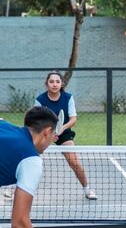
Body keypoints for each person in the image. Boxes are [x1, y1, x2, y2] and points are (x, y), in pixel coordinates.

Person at [34, 70, 97, 200]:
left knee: (74, 161)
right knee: (29, 158)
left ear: (62, 84)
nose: (54, 84)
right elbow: (36, 121)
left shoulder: (68, 98)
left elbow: (73, 119)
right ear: (47, 84)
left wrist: (61, 128)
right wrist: (48, 133)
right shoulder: (40, 100)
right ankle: (15, 190)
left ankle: (87, 189)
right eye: (51, 81)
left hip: (64, 132)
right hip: (45, 133)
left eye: (57, 81)